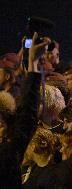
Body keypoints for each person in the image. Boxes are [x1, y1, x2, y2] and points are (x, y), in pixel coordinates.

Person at [0, 32, 49, 188]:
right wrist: (32, 63)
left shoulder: (8, 153)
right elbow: (27, 114)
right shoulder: (11, 151)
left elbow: (27, 112)